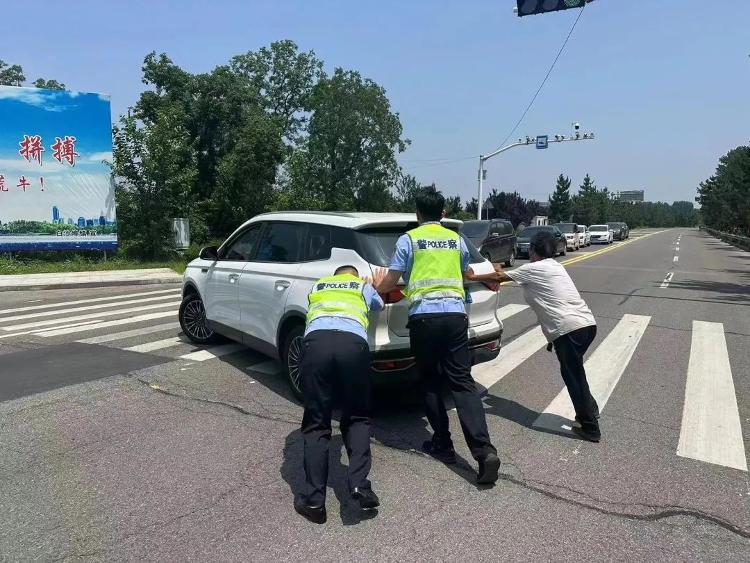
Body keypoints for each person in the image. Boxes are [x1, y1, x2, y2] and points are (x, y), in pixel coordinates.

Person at [373, 186, 503, 484]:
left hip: (425, 319)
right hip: (456, 317)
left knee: (430, 381)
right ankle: (484, 451)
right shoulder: (456, 240)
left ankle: (442, 442)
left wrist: (375, 286)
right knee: (462, 381)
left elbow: (393, 278)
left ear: (418, 213)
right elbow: (463, 272)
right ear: (443, 212)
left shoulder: (409, 240)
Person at [294, 265, 384, 524]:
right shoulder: (362, 287)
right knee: (357, 417)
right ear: (354, 276)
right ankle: (359, 486)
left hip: (316, 346)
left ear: (335, 276)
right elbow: (377, 306)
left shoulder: (319, 285)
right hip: (352, 346)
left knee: (316, 423)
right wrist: (373, 286)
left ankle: (314, 503)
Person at [492, 230, 601, 442]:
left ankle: (590, 427)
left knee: (573, 376)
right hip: (586, 325)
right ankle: (590, 409)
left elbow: (498, 276)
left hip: (569, 329)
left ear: (533, 250)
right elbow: (501, 273)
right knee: (575, 371)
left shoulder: (534, 268)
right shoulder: (554, 266)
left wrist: (470, 276)